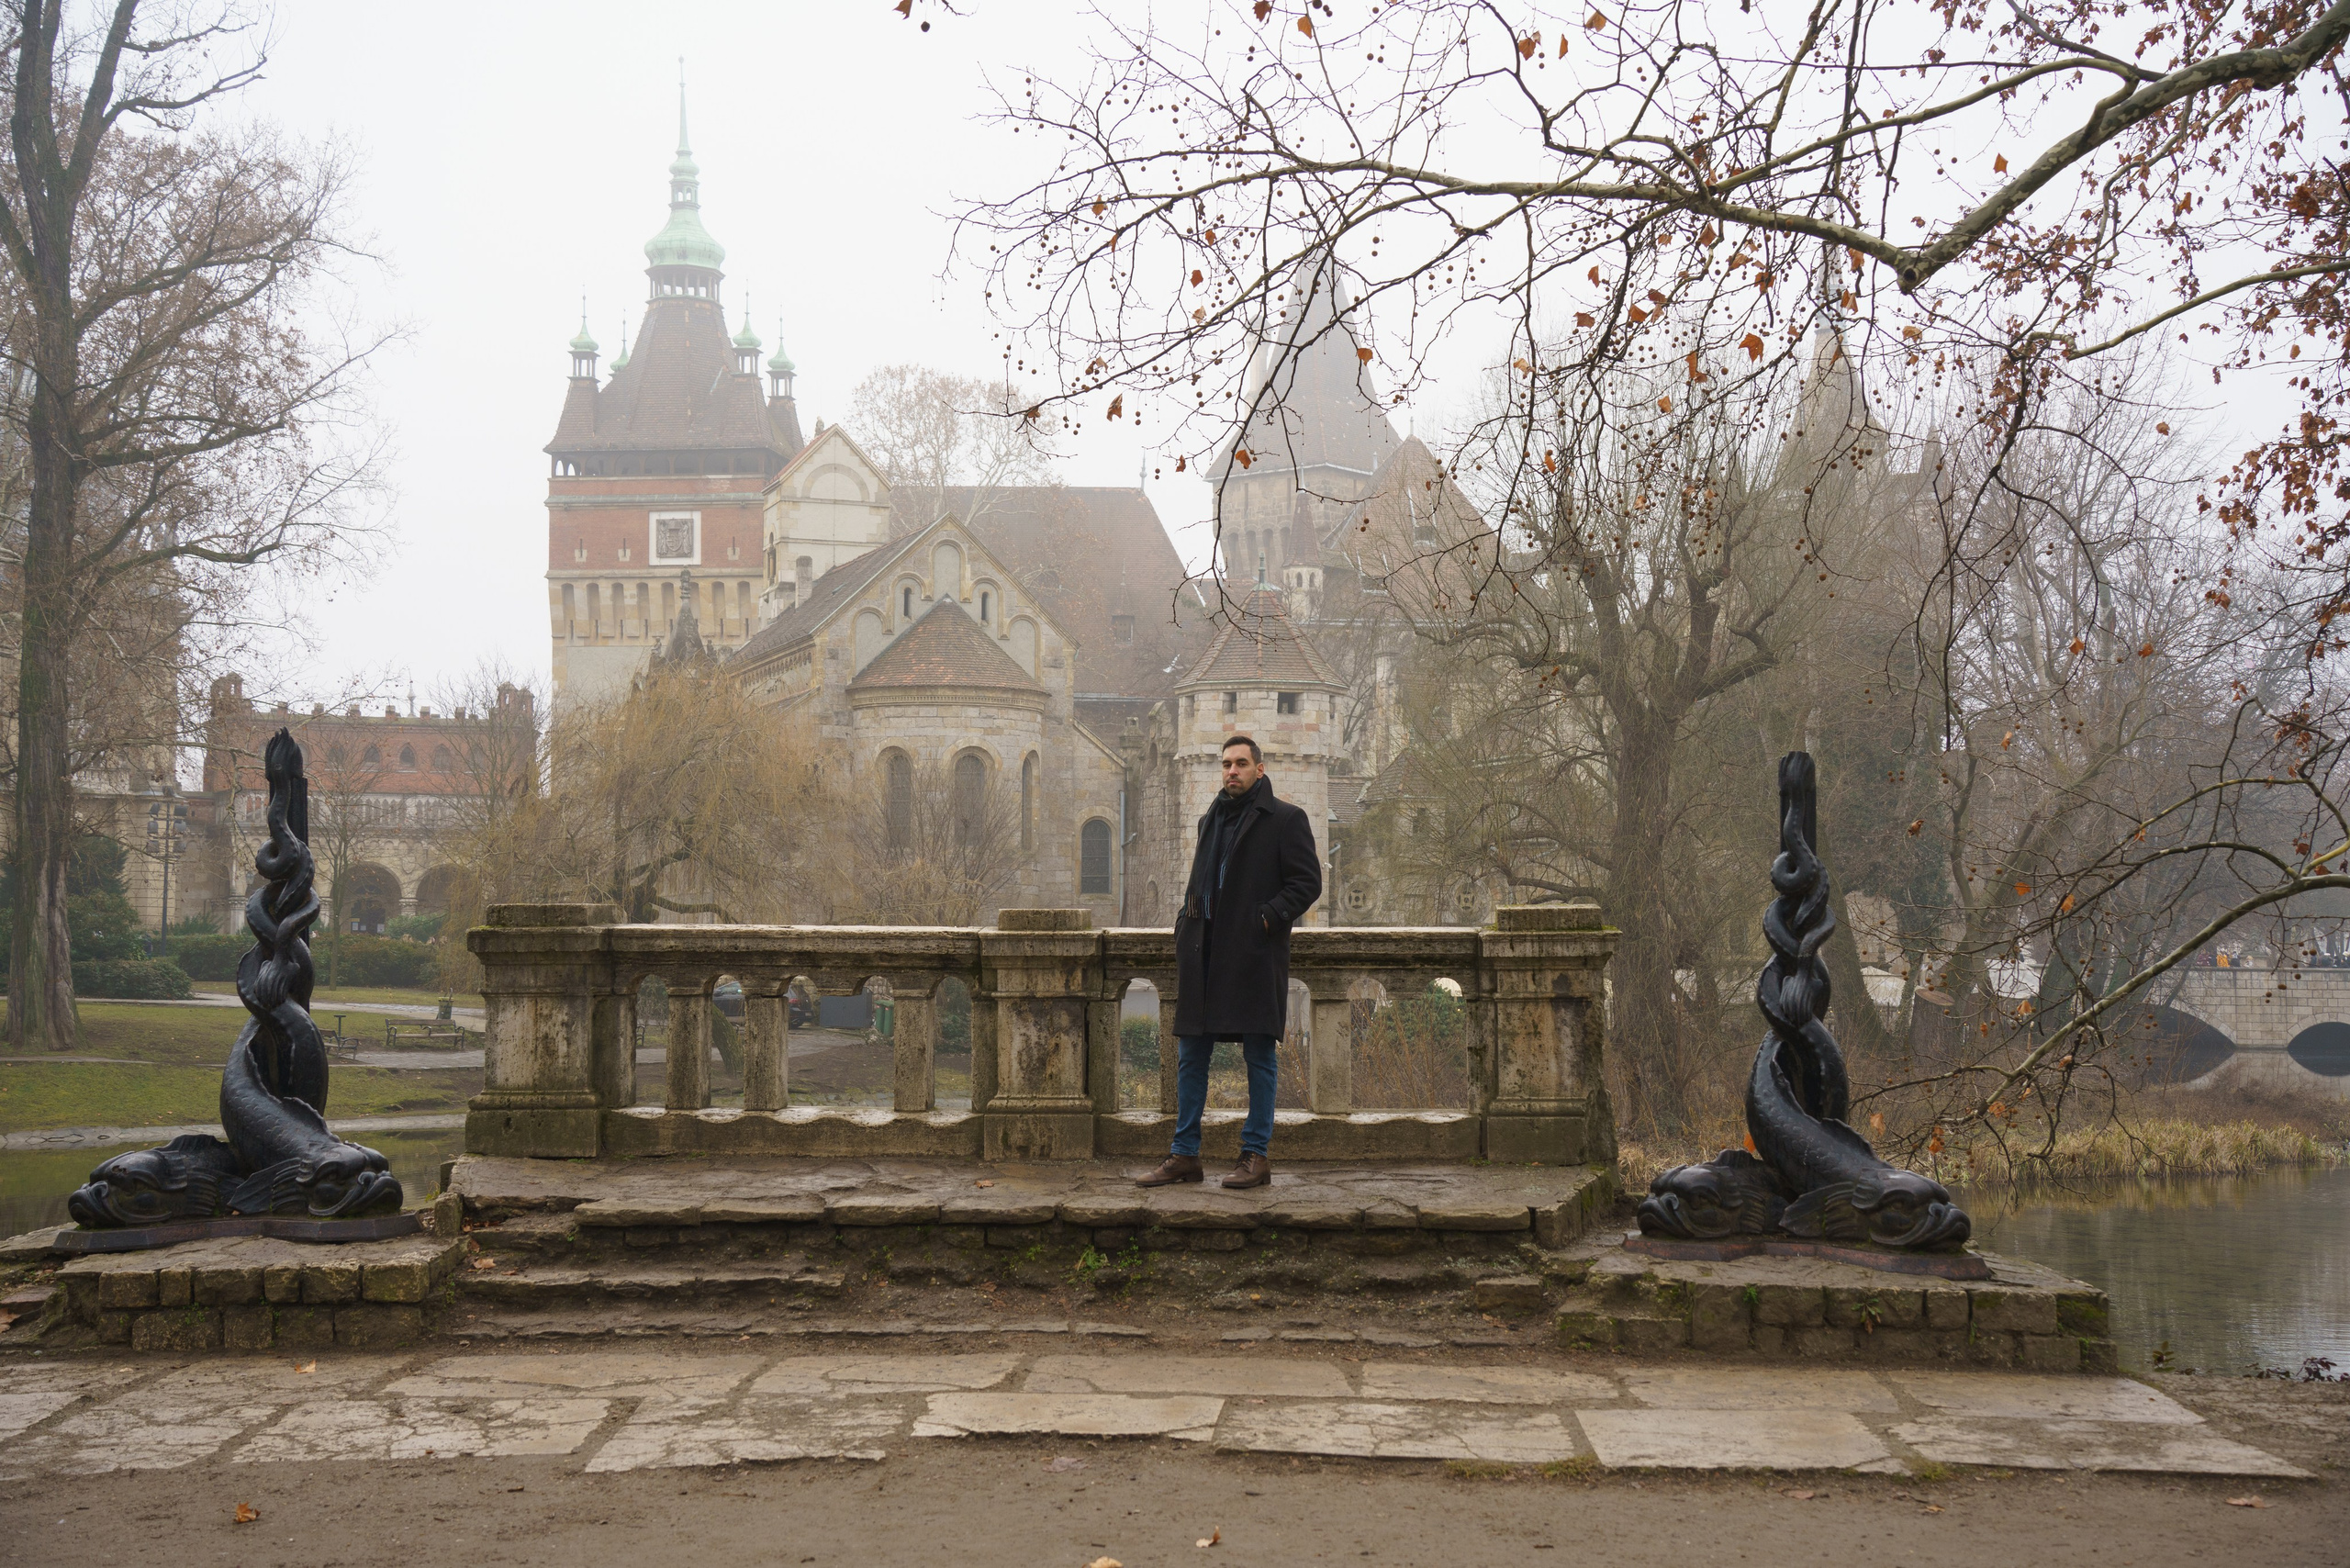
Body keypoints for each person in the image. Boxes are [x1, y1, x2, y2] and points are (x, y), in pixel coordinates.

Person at [1137, 734, 1322, 1190]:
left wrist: (1265, 919)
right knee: (1191, 1055)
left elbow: (1307, 883)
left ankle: (1255, 1157)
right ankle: (1184, 1156)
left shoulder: (1286, 819)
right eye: (1226, 764)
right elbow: (1199, 883)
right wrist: (1185, 924)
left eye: (1241, 763)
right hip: (1203, 954)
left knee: (1259, 1055)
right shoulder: (1209, 820)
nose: (1232, 771)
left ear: (1260, 769)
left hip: (1255, 957)